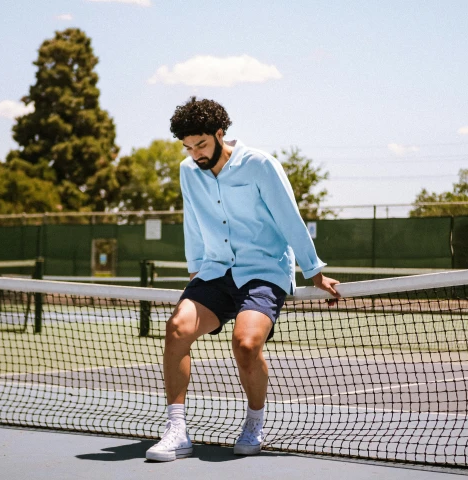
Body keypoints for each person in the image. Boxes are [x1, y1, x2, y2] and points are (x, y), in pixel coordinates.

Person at [145, 97, 340, 462]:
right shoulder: (189, 170)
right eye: (187, 147)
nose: (195, 153)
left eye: (201, 144)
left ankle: (254, 423)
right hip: (216, 271)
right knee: (176, 328)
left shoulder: (260, 165)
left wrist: (314, 272)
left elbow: (289, 218)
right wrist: (195, 269)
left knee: (246, 345)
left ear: (221, 134)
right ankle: (176, 430)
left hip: (263, 270)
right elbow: (193, 220)